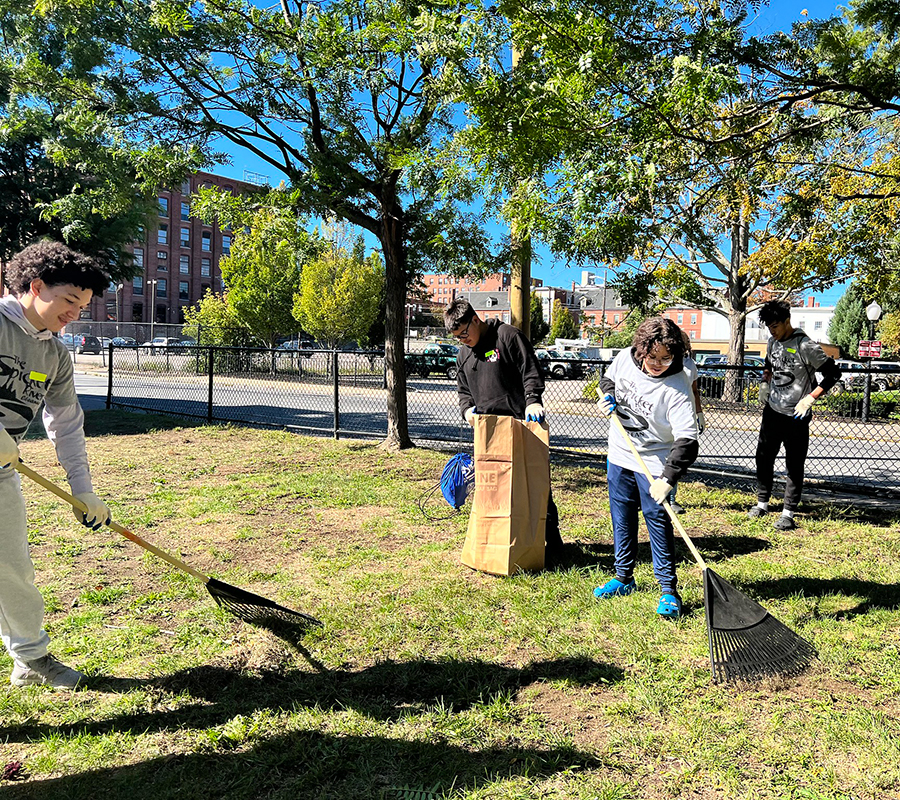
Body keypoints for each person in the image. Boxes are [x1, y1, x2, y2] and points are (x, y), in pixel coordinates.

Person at [0, 240, 111, 688]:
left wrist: (82, 489)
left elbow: (66, 424)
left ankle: (30, 660)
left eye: (82, 305)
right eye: (69, 300)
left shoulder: (56, 355)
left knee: (12, 568)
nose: (75, 313)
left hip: (2, 474)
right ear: (36, 285)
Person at [593, 317, 699, 619]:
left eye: (666, 358)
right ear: (641, 349)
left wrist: (667, 478)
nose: (658, 364)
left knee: (658, 523)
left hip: (655, 461)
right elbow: (606, 380)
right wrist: (608, 397)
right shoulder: (626, 358)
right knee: (622, 516)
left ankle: (668, 590)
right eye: (652, 357)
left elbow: (688, 442)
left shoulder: (677, 386)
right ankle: (623, 577)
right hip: (620, 453)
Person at [443, 299, 564, 561]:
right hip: (488, 432)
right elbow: (463, 390)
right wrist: (466, 410)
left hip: (521, 425)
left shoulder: (507, 336)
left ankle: (551, 542)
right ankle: (495, 544)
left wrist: (533, 400)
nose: (463, 340)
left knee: (533, 485)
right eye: (457, 337)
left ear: (475, 320)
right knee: (493, 491)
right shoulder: (464, 354)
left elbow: (530, 370)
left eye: (464, 333)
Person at [750, 300, 842, 531]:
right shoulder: (772, 342)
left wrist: (811, 397)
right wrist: (764, 382)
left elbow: (833, 374)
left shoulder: (805, 345)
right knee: (763, 458)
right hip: (772, 411)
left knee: (794, 464)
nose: (772, 331)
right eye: (769, 327)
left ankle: (788, 512)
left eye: (775, 326)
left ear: (787, 321)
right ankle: (762, 503)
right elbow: (769, 363)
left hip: (797, 415)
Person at [668, 331, 704, 514]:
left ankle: (672, 498)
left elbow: (695, 391)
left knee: (674, 457)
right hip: (666, 414)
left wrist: (699, 413)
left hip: (684, 415)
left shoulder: (690, 364)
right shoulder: (666, 361)